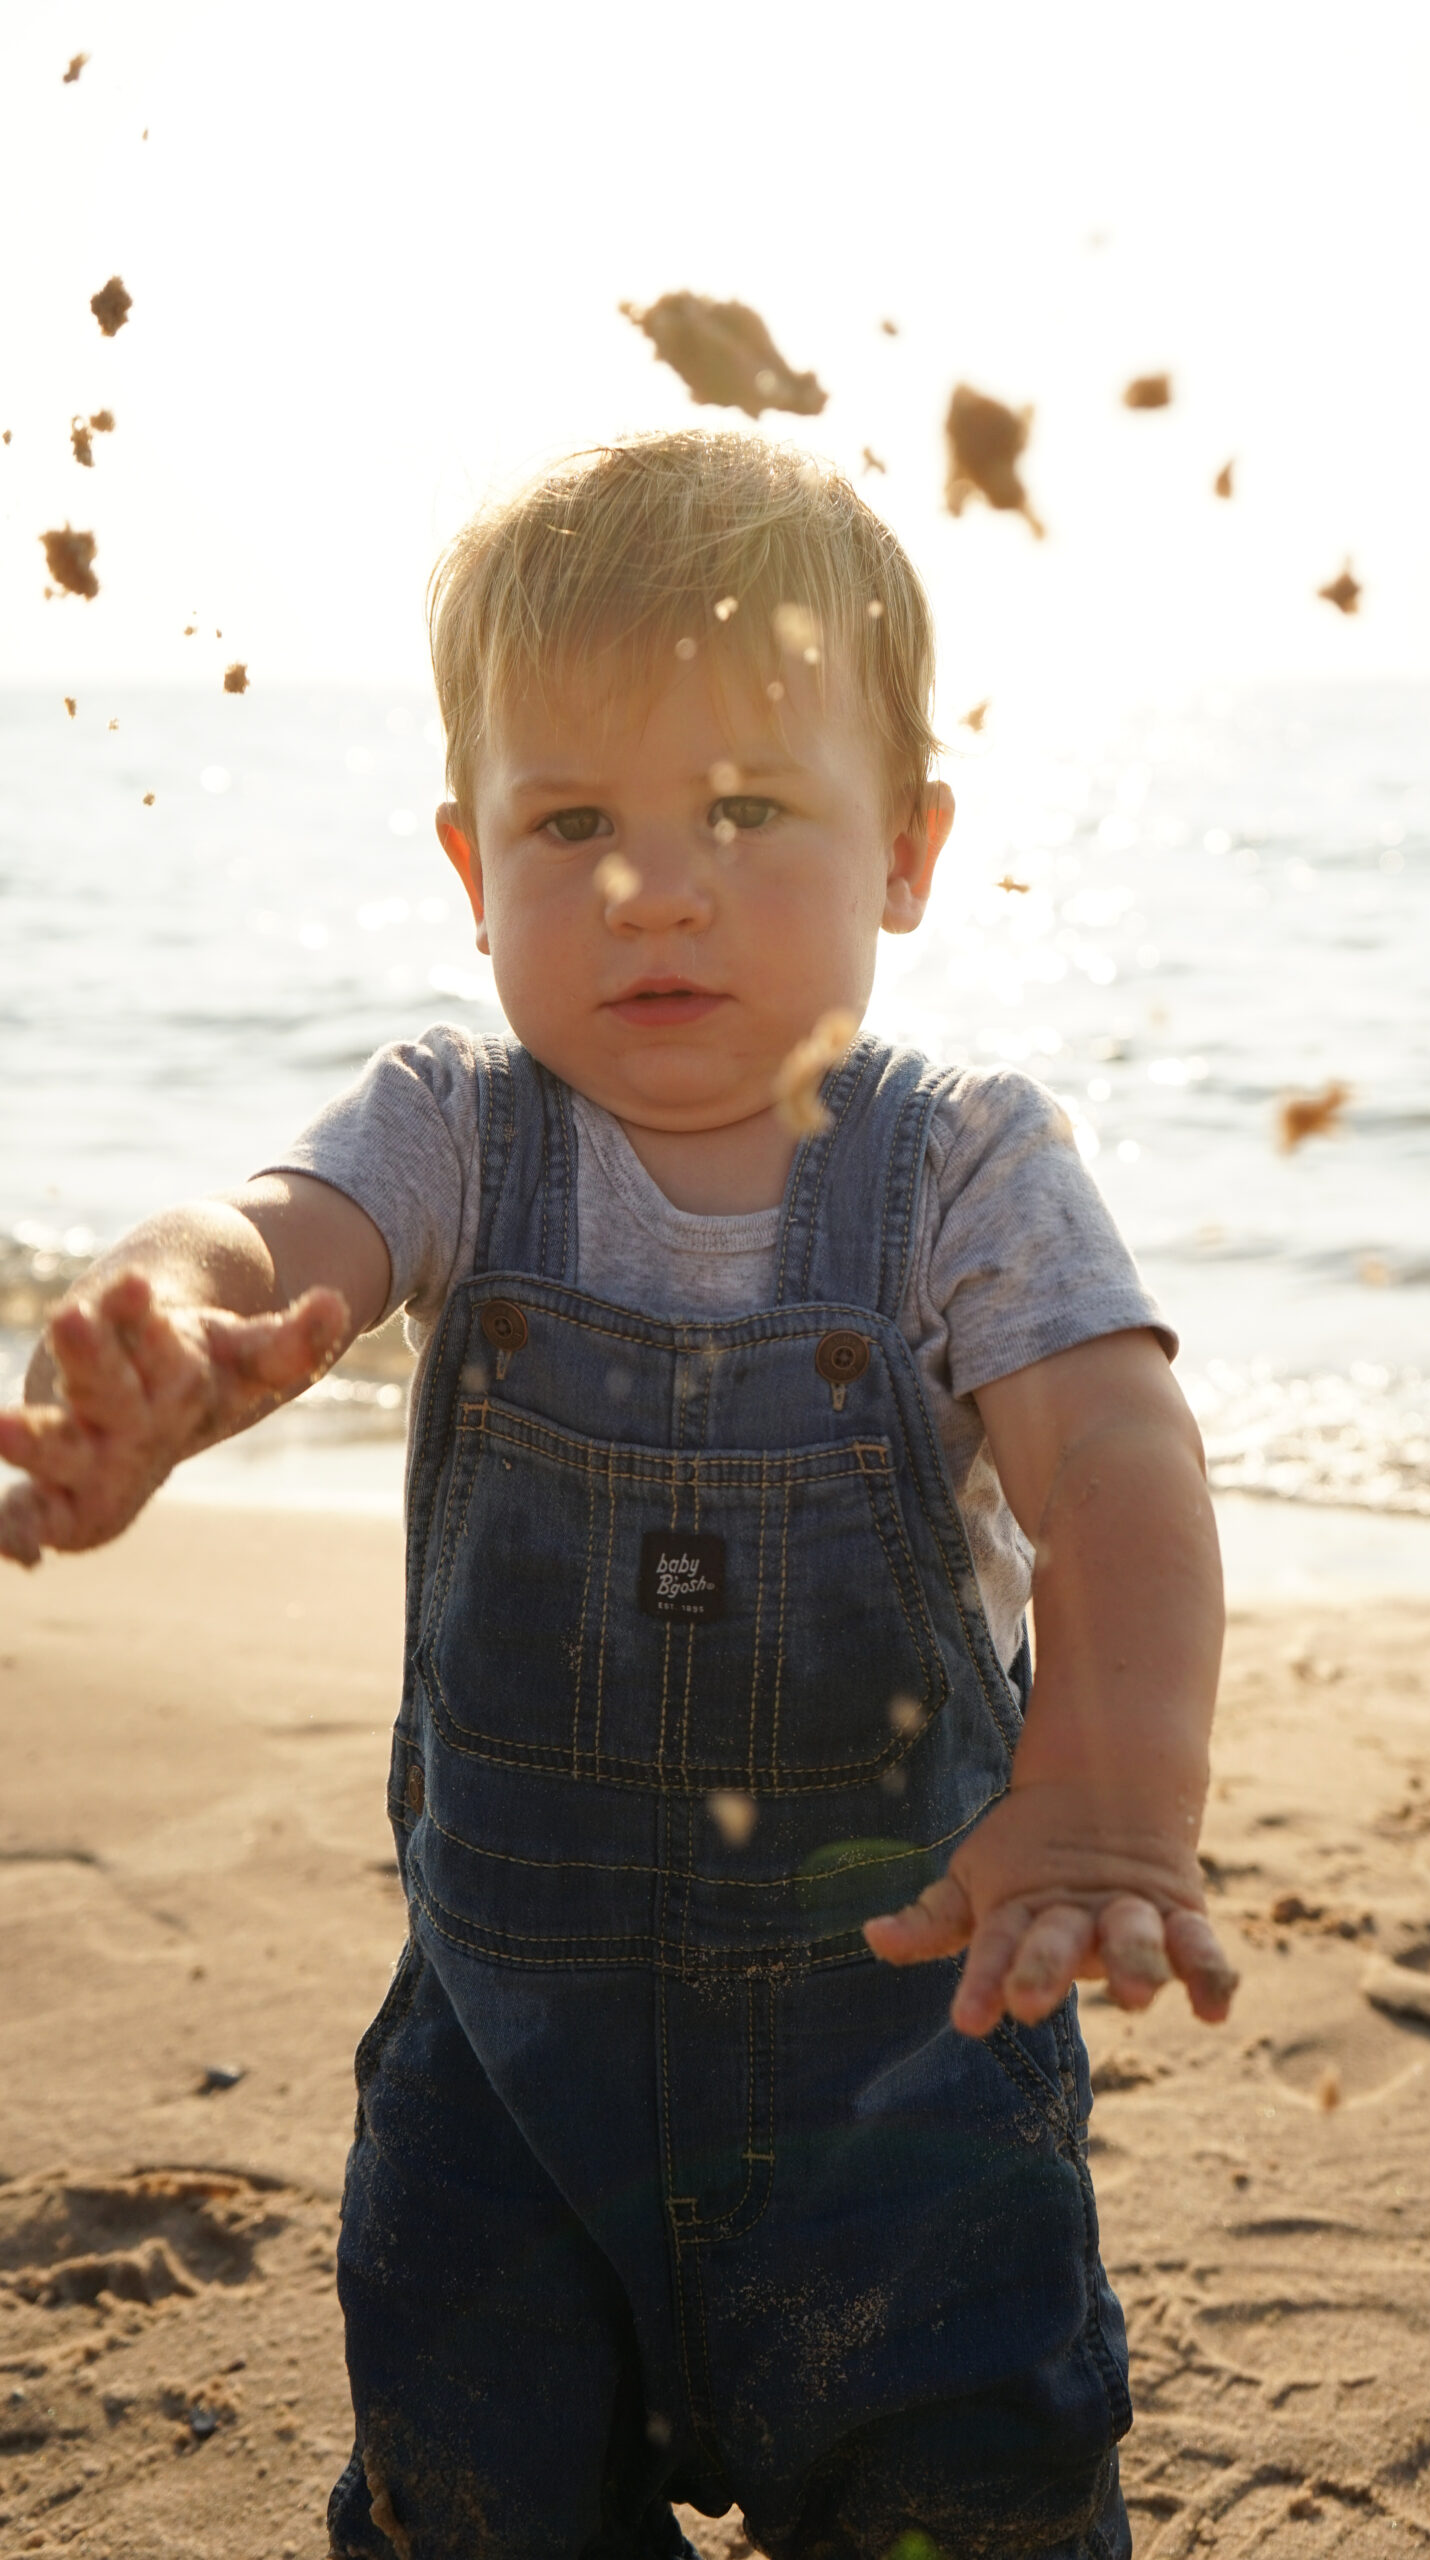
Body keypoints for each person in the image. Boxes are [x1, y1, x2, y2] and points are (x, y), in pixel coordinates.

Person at [0, 432, 1236, 2560]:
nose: (652, 886)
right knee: (477, 2493)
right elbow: (271, 1232)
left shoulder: (958, 1165)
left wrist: (1111, 1789)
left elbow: (1111, 1452)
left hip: (904, 2075)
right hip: (502, 2086)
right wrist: (172, 1332)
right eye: (571, 821)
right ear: (471, 863)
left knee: (969, 2480)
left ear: (909, 848)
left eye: (748, 811)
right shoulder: (453, 1131)